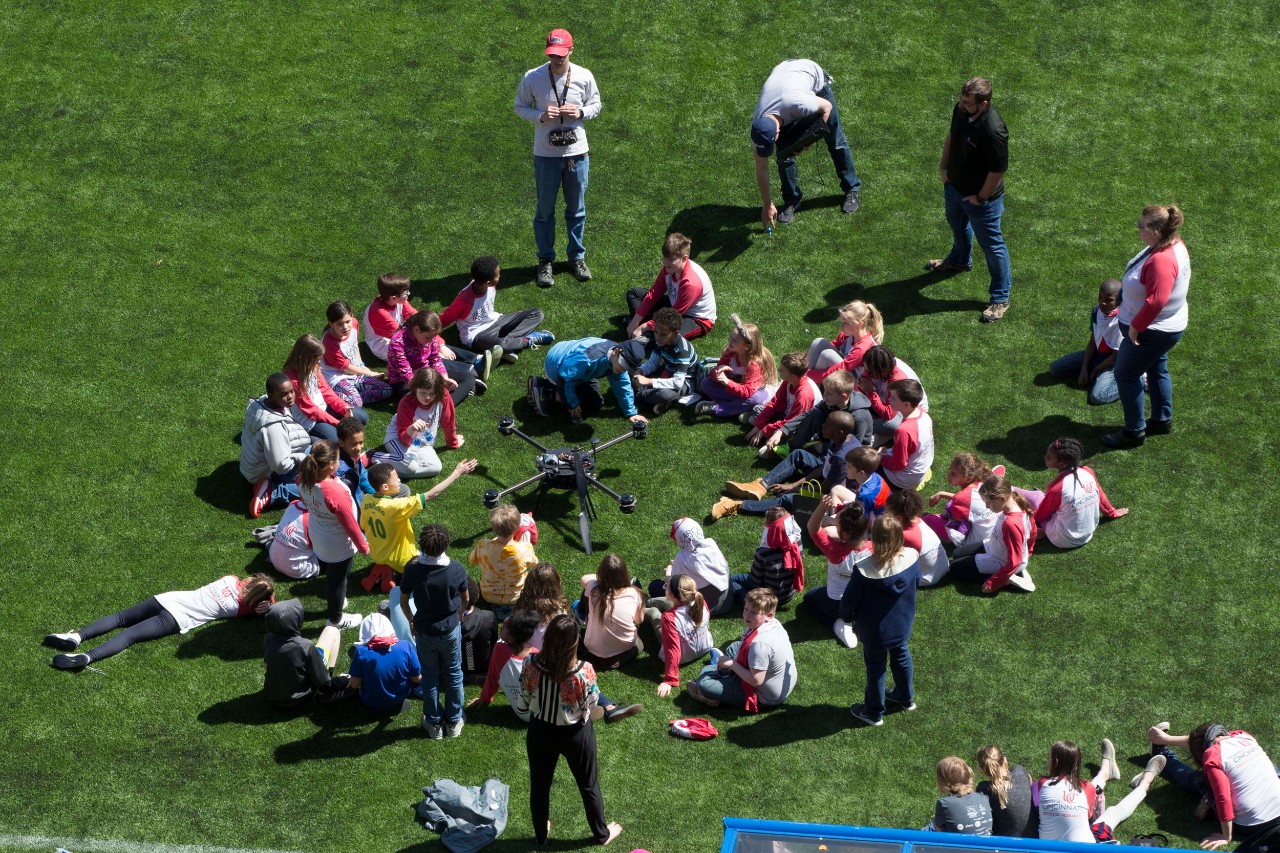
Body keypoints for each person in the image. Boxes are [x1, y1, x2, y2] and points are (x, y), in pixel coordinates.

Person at [516, 615, 623, 846]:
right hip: (575, 734)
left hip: (540, 732)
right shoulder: (584, 671)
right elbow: (593, 705)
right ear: (574, 642)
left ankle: (541, 835)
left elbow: (523, 703)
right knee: (588, 784)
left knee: (540, 785)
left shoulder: (530, 663)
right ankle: (601, 835)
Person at [514, 28, 601, 288]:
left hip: (576, 155)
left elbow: (597, 104)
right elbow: (519, 106)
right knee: (544, 211)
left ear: (571, 51)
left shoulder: (584, 76)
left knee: (577, 210)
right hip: (546, 155)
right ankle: (545, 260)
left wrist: (581, 111)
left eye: (561, 55)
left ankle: (577, 258)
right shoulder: (533, 77)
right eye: (552, 55)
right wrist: (540, 115)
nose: (556, 60)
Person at [45, 574, 275, 670]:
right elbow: (264, 605)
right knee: (130, 635)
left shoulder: (230, 579)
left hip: (168, 598)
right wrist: (269, 606)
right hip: (176, 618)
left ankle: (75, 637)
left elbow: (244, 581)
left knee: (120, 618)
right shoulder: (242, 609)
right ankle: (87, 657)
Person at [1103, 204, 1191, 448]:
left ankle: (1134, 432)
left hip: (1151, 331)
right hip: (1163, 327)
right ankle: (1162, 420)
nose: (1137, 229)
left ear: (1155, 231)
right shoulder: (1173, 244)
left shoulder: (1162, 261)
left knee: (1126, 374)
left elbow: (1157, 300)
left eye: (1141, 226)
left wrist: (1135, 327)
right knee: (1157, 367)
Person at [925, 76, 1012, 323]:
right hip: (953, 187)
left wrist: (981, 198)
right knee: (957, 224)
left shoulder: (993, 130)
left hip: (981, 199)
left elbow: (998, 170)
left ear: (983, 104)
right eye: (961, 100)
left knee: (992, 245)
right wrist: (944, 169)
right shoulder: (961, 111)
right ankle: (960, 260)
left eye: (967, 103)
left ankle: (1000, 297)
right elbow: (952, 136)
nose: (961, 106)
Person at [751, 58, 862, 227]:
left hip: (815, 86)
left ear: (778, 132)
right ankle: (791, 200)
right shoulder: (759, 127)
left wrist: (808, 139)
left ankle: (851, 189)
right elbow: (762, 168)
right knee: (784, 155)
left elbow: (826, 108)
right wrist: (767, 205)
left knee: (836, 142)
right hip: (786, 79)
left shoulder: (799, 103)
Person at [1148, 722, 1280, 851]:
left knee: (1198, 781)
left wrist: (1226, 836)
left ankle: (1164, 756)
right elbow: (1205, 740)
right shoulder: (1243, 736)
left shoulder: (1212, 756)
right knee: (1272, 769)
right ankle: (1163, 743)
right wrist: (1167, 739)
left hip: (1252, 824)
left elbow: (1223, 797)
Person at [842, 515, 920, 727]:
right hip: (902, 624)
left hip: (875, 631)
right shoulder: (912, 556)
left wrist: (847, 618)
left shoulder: (864, 569)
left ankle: (874, 712)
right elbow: (918, 581)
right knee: (901, 656)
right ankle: (906, 698)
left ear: (873, 537)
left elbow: (849, 602)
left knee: (876, 667)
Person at [715, 410, 860, 520]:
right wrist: (792, 485)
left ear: (839, 432)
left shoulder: (842, 457)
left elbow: (825, 488)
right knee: (799, 455)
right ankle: (761, 486)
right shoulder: (843, 438)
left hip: (836, 497)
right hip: (830, 479)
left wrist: (794, 489)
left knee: (788, 499)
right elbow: (824, 467)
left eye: (827, 425)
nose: (823, 426)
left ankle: (738, 505)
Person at [360, 460, 476, 592]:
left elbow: (364, 526)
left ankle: (385, 570)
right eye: (396, 478)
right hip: (403, 560)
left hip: (378, 555)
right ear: (385, 487)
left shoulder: (366, 499)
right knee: (437, 564)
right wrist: (457, 472)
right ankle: (403, 575)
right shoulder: (396, 506)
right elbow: (432, 494)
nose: (399, 480)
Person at [400, 523, 469, 739]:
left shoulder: (412, 569)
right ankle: (454, 720)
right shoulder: (456, 569)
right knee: (453, 674)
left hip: (425, 632)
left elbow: (403, 601)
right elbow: (465, 598)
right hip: (450, 630)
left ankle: (434, 723)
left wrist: (412, 621)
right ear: (446, 544)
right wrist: (459, 614)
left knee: (429, 677)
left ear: (422, 545)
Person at [296, 440, 369, 629]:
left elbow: (306, 502)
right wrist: (362, 546)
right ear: (330, 465)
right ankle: (336, 619)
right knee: (338, 580)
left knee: (333, 573)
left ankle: (338, 600)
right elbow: (350, 525)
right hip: (337, 544)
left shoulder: (303, 479)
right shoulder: (334, 492)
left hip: (319, 534)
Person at [1034, 739, 1167, 843]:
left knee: (1095, 795)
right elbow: (1088, 815)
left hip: (1049, 848)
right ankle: (1144, 784)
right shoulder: (1086, 787)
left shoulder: (1041, 784)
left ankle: (1106, 772)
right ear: (1076, 766)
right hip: (1087, 848)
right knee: (1113, 812)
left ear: (1055, 762)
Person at [687, 587, 797, 711]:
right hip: (779, 681)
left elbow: (756, 681)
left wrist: (732, 664)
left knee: (703, 682)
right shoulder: (773, 623)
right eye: (746, 609)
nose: (746, 615)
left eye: (754, 613)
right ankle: (721, 668)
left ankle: (713, 679)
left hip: (764, 696)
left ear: (769, 615)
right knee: (734, 647)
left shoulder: (760, 645)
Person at [439, 256, 553, 370]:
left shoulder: (488, 284)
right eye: (498, 275)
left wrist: (516, 317)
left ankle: (508, 345)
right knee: (502, 344)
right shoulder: (464, 300)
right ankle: (528, 340)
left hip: (497, 320)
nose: (500, 276)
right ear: (488, 283)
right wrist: (439, 343)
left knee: (537, 314)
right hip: (477, 334)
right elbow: (443, 320)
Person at [1028, 437, 1128, 549]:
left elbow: (1042, 514)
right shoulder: (1087, 471)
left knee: (1036, 497)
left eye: (1049, 457)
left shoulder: (1057, 488)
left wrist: (1026, 520)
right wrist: (1112, 513)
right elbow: (1101, 496)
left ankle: (1010, 489)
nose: (1045, 457)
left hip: (1061, 539)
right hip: (1086, 536)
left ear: (1061, 465)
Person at [948, 474, 1036, 593]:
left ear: (1001, 498)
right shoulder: (1016, 501)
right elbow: (1033, 532)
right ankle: (1015, 571)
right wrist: (1028, 552)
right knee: (957, 554)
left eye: (988, 503)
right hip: (994, 546)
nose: (986, 507)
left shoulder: (1011, 524)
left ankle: (1008, 579)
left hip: (1001, 560)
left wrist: (993, 583)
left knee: (955, 569)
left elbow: (1015, 560)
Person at [528, 337, 646, 425]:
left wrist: (631, 412)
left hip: (568, 358)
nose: (623, 370)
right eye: (623, 365)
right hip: (556, 367)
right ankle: (546, 394)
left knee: (593, 390)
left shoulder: (615, 358)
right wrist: (572, 404)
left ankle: (540, 383)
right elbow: (564, 379)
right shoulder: (586, 358)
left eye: (627, 368)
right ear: (616, 352)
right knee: (593, 403)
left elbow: (622, 384)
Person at [241, 372, 310, 518]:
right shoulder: (273, 428)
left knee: (317, 450)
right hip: (268, 473)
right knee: (317, 486)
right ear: (271, 396)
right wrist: (299, 456)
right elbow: (281, 466)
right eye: (284, 394)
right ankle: (273, 491)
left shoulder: (261, 405)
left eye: (291, 391)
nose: (290, 396)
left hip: (254, 468)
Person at [804, 497, 871, 648]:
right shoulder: (875, 549)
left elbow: (812, 527)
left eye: (837, 524)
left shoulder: (835, 551)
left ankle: (837, 624)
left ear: (845, 534)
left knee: (809, 599)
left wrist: (822, 508)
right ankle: (855, 621)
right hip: (863, 603)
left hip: (837, 603)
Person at [374, 367, 464, 480]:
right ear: (415, 389)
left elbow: (449, 420)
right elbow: (403, 438)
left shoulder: (443, 396)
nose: (427, 397)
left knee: (435, 467)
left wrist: (453, 442)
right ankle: (374, 456)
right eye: (423, 392)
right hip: (398, 438)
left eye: (432, 393)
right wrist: (411, 430)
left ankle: (397, 470)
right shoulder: (407, 403)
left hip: (422, 443)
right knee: (410, 466)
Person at [625, 232, 717, 341]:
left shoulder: (691, 284)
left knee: (669, 337)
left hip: (695, 318)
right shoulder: (669, 267)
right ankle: (645, 328)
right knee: (634, 293)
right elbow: (654, 293)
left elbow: (674, 314)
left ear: (684, 259)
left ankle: (647, 334)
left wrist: (643, 327)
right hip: (675, 304)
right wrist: (635, 322)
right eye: (665, 257)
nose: (665, 262)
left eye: (671, 259)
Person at [262, 599, 352, 708]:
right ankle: (324, 692)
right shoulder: (304, 646)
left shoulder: (268, 639)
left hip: (272, 696)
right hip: (302, 698)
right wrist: (344, 680)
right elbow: (323, 682)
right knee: (332, 631)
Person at [1048, 279, 1123, 405]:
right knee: (1055, 368)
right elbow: (1093, 341)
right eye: (1100, 297)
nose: (1102, 303)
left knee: (1098, 396)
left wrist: (1094, 370)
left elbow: (1115, 357)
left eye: (1109, 300)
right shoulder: (1096, 312)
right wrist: (1084, 368)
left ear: (1119, 300)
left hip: (1114, 363)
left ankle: (1137, 381)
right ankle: (1096, 371)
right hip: (1098, 354)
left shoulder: (1123, 320)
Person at [283, 333, 368, 444]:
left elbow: (326, 391)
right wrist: (337, 423)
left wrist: (343, 407)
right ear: (303, 357)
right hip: (310, 421)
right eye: (316, 359)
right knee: (339, 440)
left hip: (324, 408)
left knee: (362, 417)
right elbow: (311, 411)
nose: (319, 362)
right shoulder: (293, 380)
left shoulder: (314, 367)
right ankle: (312, 438)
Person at [643, 574, 714, 698]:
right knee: (664, 603)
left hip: (684, 655)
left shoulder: (669, 618)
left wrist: (670, 680)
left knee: (654, 613)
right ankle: (645, 600)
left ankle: (636, 605)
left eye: (666, 587)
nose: (665, 587)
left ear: (671, 595)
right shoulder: (700, 601)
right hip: (705, 646)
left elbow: (673, 649)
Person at [385, 310, 476, 406]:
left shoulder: (430, 338)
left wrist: (444, 378)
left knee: (468, 379)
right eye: (428, 338)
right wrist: (433, 386)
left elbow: (435, 359)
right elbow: (406, 374)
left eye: (433, 337)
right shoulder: (398, 342)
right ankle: (443, 403)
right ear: (416, 330)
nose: (431, 341)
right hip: (405, 382)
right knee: (421, 399)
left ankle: (442, 404)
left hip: (428, 373)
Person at [694, 314, 776, 419]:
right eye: (731, 337)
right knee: (706, 384)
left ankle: (716, 408)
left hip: (756, 392)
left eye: (735, 340)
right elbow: (714, 374)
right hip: (738, 387)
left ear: (747, 346)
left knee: (756, 400)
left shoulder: (753, 364)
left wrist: (727, 382)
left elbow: (747, 392)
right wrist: (718, 372)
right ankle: (742, 408)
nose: (730, 341)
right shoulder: (730, 351)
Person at [646, 518, 731, 617]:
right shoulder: (711, 544)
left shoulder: (681, 558)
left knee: (654, 585)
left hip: (702, 609)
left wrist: (668, 571)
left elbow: (671, 586)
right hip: (725, 603)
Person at [775, 369, 873, 453]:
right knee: (816, 413)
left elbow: (854, 446)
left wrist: (825, 447)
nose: (824, 396)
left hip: (848, 449)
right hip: (831, 435)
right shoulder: (831, 401)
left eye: (829, 394)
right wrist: (783, 430)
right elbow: (807, 414)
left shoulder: (859, 417)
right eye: (824, 390)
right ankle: (792, 446)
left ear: (843, 397)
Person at [469, 503, 540, 619]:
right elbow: (535, 563)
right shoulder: (525, 548)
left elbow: (472, 561)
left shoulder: (483, 545)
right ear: (517, 527)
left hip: (488, 594)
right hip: (516, 596)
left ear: (493, 527)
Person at [622, 309, 698, 415]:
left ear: (675, 333)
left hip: (685, 381)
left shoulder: (681, 351)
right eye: (656, 332)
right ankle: (646, 394)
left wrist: (649, 381)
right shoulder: (661, 341)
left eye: (663, 334)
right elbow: (653, 362)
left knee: (663, 394)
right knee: (632, 371)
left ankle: (641, 394)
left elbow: (677, 382)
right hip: (667, 370)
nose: (657, 337)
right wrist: (640, 371)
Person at [321, 300, 392, 410]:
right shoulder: (329, 343)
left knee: (387, 390)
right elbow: (346, 368)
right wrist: (369, 373)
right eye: (339, 324)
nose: (345, 327)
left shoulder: (354, 324)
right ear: (331, 324)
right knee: (356, 403)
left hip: (355, 373)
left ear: (352, 316)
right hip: (338, 378)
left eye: (347, 321)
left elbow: (354, 345)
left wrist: (361, 365)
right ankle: (332, 396)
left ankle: (354, 396)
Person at [924, 452, 999, 557]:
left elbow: (958, 514)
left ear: (968, 478)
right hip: (991, 538)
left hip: (972, 544)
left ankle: (949, 543)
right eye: (949, 471)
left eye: (953, 474)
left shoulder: (962, 497)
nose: (949, 476)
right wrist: (942, 494)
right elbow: (966, 500)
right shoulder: (981, 484)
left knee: (927, 519)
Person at [470, 609, 540, 720]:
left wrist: (484, 699)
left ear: (510, 638)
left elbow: (492, 679)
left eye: (503, 628)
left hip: (522, 714)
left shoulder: (499, 651)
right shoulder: (536, 654)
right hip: (540, 715)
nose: (501, 628)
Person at [747, 351, 818, 459]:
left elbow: (792, 422)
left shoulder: (804, 394)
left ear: (793, 377)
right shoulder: (788, 381)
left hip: (796, 426)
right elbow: (775, 402)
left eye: (782, 370)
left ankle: (777, 444)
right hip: (785, 416)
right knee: (758, 409)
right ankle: (762, 428)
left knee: (765, 451)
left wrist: (763, 430)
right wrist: (759, 424)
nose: (779, 370)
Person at [579, 553, 644, 671]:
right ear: (624, 573)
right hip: (625, 646)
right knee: (639, 644)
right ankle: (616, 660)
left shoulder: (593, 588)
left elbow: (584, 578)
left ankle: (579, 614)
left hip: (591, 647)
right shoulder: (635, 593)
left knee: (586, 594)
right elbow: (639, 620)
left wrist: (602, 579)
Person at [348, 613, 422, 716]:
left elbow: (354, 684)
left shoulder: (361, 652)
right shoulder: (405, 646)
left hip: (370, 701)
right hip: (399, 698)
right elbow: (417, 678)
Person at [729, 508, 804, 605]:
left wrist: (755, 565)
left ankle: (749, 603)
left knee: (731, 580)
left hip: (768, 599)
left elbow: (757, 581)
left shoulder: (763, 553)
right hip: (787, 595)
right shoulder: (797, 543)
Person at [856, 345, 929, 437]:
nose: (867, 373)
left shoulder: (898, 382)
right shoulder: (879, 363)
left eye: (870, 372)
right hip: (890, 401)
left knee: (891, 425)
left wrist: (871, 392)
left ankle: (866, 428)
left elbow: (888, 414)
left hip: (906, 410)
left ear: (884, 371)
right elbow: (860, 386)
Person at [806, 300, 885, 383]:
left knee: (827, 355)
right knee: (818, 342)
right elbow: (834, 345)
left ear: (859, 324)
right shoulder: (849, 334)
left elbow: (841, 369)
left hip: (857, 385)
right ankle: (804, 375)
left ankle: (809, 383)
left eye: (845, 323)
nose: (841, 326)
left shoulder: (862, 348)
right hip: (845, 371)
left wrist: (810, 375)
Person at [884, 489, 949, 587]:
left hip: (926, 578)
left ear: (899, 518)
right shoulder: (917, 520)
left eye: (886, 512)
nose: (884, 513)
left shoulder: (904, 534)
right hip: (943, 566)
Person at [879, 379, 935, 491]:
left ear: (906, 404)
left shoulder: (903, 431)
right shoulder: (923, 413)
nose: (889, 399)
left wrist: (882, 458)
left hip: (904, 478)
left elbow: (898, 464)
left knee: (868, 464)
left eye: (893, 398)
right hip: (920, 469)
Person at [976, 744, 1038, 838]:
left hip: (1005, 845)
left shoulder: (984, 789)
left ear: (981, 769)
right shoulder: (1020, 771)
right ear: (1004, 760)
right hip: (1033, 841)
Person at [924, 756, 993, 835]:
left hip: (960, 846)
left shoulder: (944, 803)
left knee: (930, 827)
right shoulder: (984, 797)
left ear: (943, 781)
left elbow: (939, 832)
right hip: (985, 844)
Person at [512, 563, 573, 650]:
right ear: (557, 584)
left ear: (529, 583)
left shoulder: (522, 605)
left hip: (523, 652)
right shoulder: (561, 611)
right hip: (549, 654)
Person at [363, 273, 417, 361]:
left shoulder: (399, 301)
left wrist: (439, 344)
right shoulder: (379, 312)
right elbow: (401, 336)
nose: (409, 294)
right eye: (406, 292)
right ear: (394, 298)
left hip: (399, 334)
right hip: (382, 345)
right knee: (418, 353)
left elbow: (417, 318)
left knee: (426, 343)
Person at [268, 500, 318, 579]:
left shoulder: (293, 503)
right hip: (296, 569)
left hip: (273, 558)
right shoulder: (313, 518)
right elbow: (321, 547)